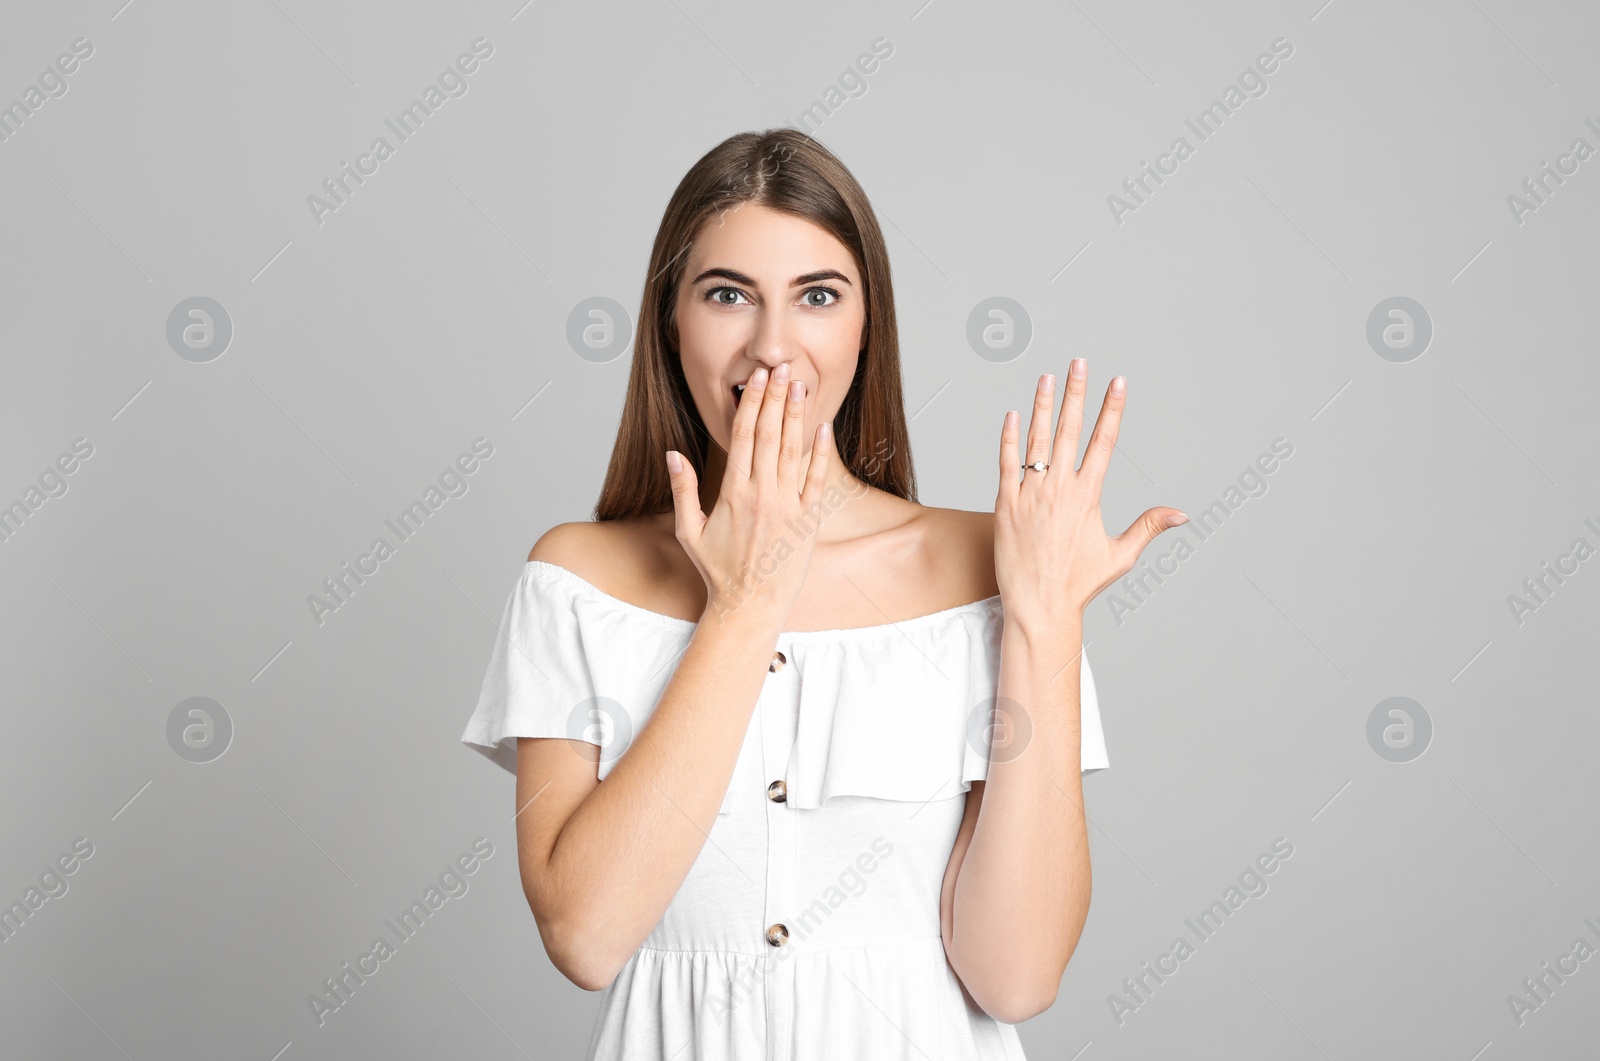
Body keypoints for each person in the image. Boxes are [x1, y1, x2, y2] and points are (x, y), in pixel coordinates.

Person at [460, 128, 1188, 1060]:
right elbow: (587, 936)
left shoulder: (990, 568)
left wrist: (1044, 621)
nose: (773, 345)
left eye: (817, 296)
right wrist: (745, 599)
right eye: (727, 294)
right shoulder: (578, 581)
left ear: (864, 324)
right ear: (669, 321)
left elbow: (1016, 975)